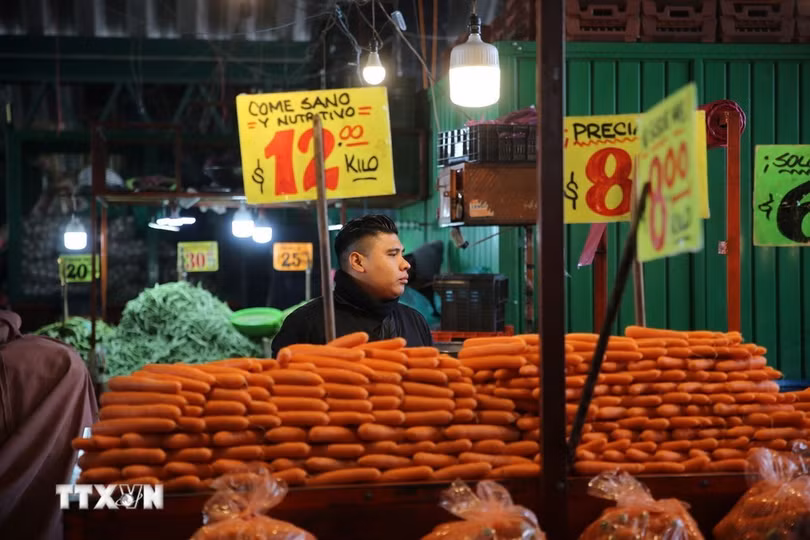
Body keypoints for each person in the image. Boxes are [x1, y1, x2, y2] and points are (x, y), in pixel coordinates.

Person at [271, 215, 432, 355]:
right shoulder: (306, 324)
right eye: (392, 254)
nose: (405, 264)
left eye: (401, 254)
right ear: (358, 262)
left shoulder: (415, 321)